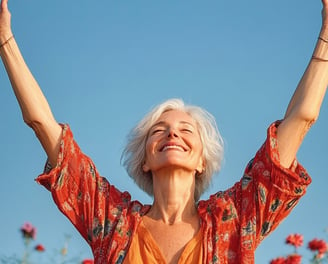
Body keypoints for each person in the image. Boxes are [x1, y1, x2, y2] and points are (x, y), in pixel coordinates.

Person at [0, 0, 327, 263]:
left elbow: (302, 120)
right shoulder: (113, 222)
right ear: (144, 159)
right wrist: (6, 41)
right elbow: (43, 125)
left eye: (186, 130)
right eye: (160, 129)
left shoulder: (234, 219)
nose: (173, 134)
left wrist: (326, 37)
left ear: (202, 159)